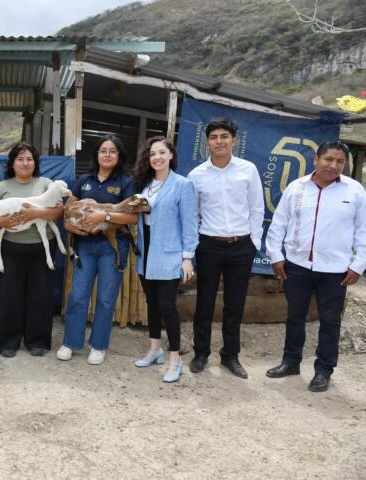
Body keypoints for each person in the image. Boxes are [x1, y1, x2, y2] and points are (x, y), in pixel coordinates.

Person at [265, 141, 366, 392]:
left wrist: (358, 265)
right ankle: (290, 362)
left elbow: (363, 231)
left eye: (340, 162)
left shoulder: (355, 191)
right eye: (328, 159)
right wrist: (276, 255)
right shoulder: (296, 188)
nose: (333, 166)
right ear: (316, 160)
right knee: (295, 316)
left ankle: (323, 370)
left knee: (330, 321)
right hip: (297, 266)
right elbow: (279, 223)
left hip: (336, 271)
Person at [187, 117, 264, 379]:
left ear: (234, 140)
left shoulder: (248, 170)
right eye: (214, 137)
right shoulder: (196, 175)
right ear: (207, 142)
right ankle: (201, 353)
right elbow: (192, 214)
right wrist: (195, 245)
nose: (219, 141)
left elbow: (256, 208)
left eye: (224, 136)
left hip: (241, 247)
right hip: (209, 246)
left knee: (235, 304)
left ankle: (230, 356)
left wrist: (254, 243)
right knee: (204, 303)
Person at [56, 134, 137, 365]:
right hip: (85, 246)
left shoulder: (125, 182)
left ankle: (99, 345)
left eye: (112, 151)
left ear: (119, 156)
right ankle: (71, 342)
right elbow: (68, 213)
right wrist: (71, 226)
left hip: (112, 247)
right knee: (78, 295)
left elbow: (132, 217)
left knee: (105, 298)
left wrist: (105, 215)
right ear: (97, 154)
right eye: (103, 150)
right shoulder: (84, 181)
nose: (107, 155)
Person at [0, 142, 65, 358]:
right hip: (10, 249)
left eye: (29, 159)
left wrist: (33, 214)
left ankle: (38, 341)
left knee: (40, 296)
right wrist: (0, 222)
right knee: (10, 296)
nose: (25, 163)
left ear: (35, 162)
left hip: (41, 247)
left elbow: (57, 212)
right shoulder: (2, 186)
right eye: (20, 159)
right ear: (12, 163)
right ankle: (7, 341)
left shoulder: (46, 183)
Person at [132, 136, 198, 382]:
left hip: (169, 253)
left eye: (161, 152)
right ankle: (154, 350)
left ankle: (174, 359)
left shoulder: (182, 184)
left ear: (171, 155)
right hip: (146, 252)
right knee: (151, 303)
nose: (157, 157)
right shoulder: (145, 185)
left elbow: (190, 223)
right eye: (152, 154)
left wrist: (187, 257)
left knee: (167, 306)